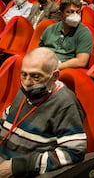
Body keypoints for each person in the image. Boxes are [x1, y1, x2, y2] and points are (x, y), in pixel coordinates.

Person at [0, 47, 86, 177]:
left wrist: (17, 167)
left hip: (25, 171)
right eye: (24, 74)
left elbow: (74, 151)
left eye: (36, 76)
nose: (27, 82)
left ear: (54, 76)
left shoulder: (65, 102)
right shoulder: (27, 90)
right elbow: (6, 121)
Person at [39, 0, 92, 70]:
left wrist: (56, 68)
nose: (75, 15)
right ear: (60, 14)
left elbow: (81, 61)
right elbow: (39, 50)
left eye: (78, 12)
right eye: (69, 12)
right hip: (45, 64)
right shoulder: (50, 29)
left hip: (63, 69)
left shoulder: (84, 32)